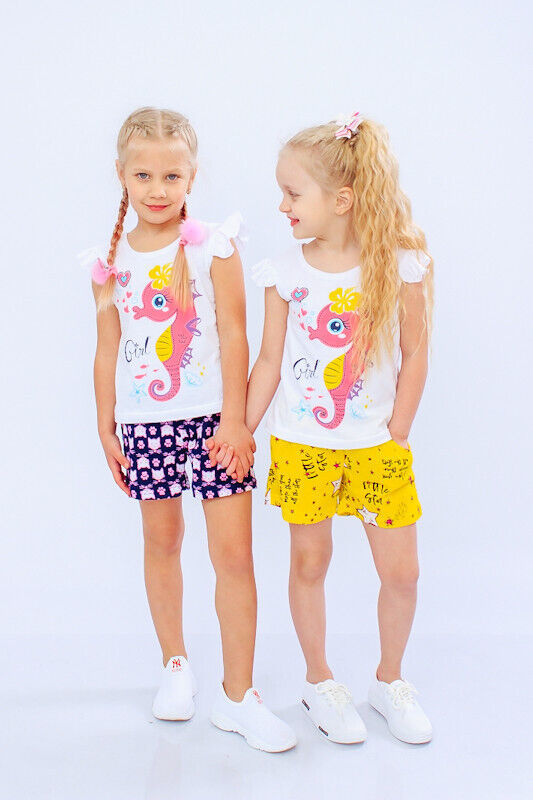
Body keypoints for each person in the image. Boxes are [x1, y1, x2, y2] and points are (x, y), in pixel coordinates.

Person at [211, 111, 434, 745]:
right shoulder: (285, 272)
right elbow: (269, 361)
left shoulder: (402, 265)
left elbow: (415, 353)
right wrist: (241, 427)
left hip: (377, 451)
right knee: (310, 563)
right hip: (304, 446)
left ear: (341, 199)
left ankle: (389, 680)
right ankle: (319, 680)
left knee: (402, 573)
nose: (282, 206)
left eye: (292, 193)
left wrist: (398, 431)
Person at [79, 106, 296, 753]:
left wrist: (234, 420)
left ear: (191, 176)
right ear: (121, 175)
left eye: (171, 175)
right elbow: (106, 349)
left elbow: (235, 334)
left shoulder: (211, 246)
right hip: (143, 427)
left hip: (213, 425)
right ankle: (174, 664)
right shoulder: (109, 261)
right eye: (143, 175)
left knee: (234, 556)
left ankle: (238, 694)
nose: (157, 189)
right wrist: (105, 426)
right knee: (162, 542)